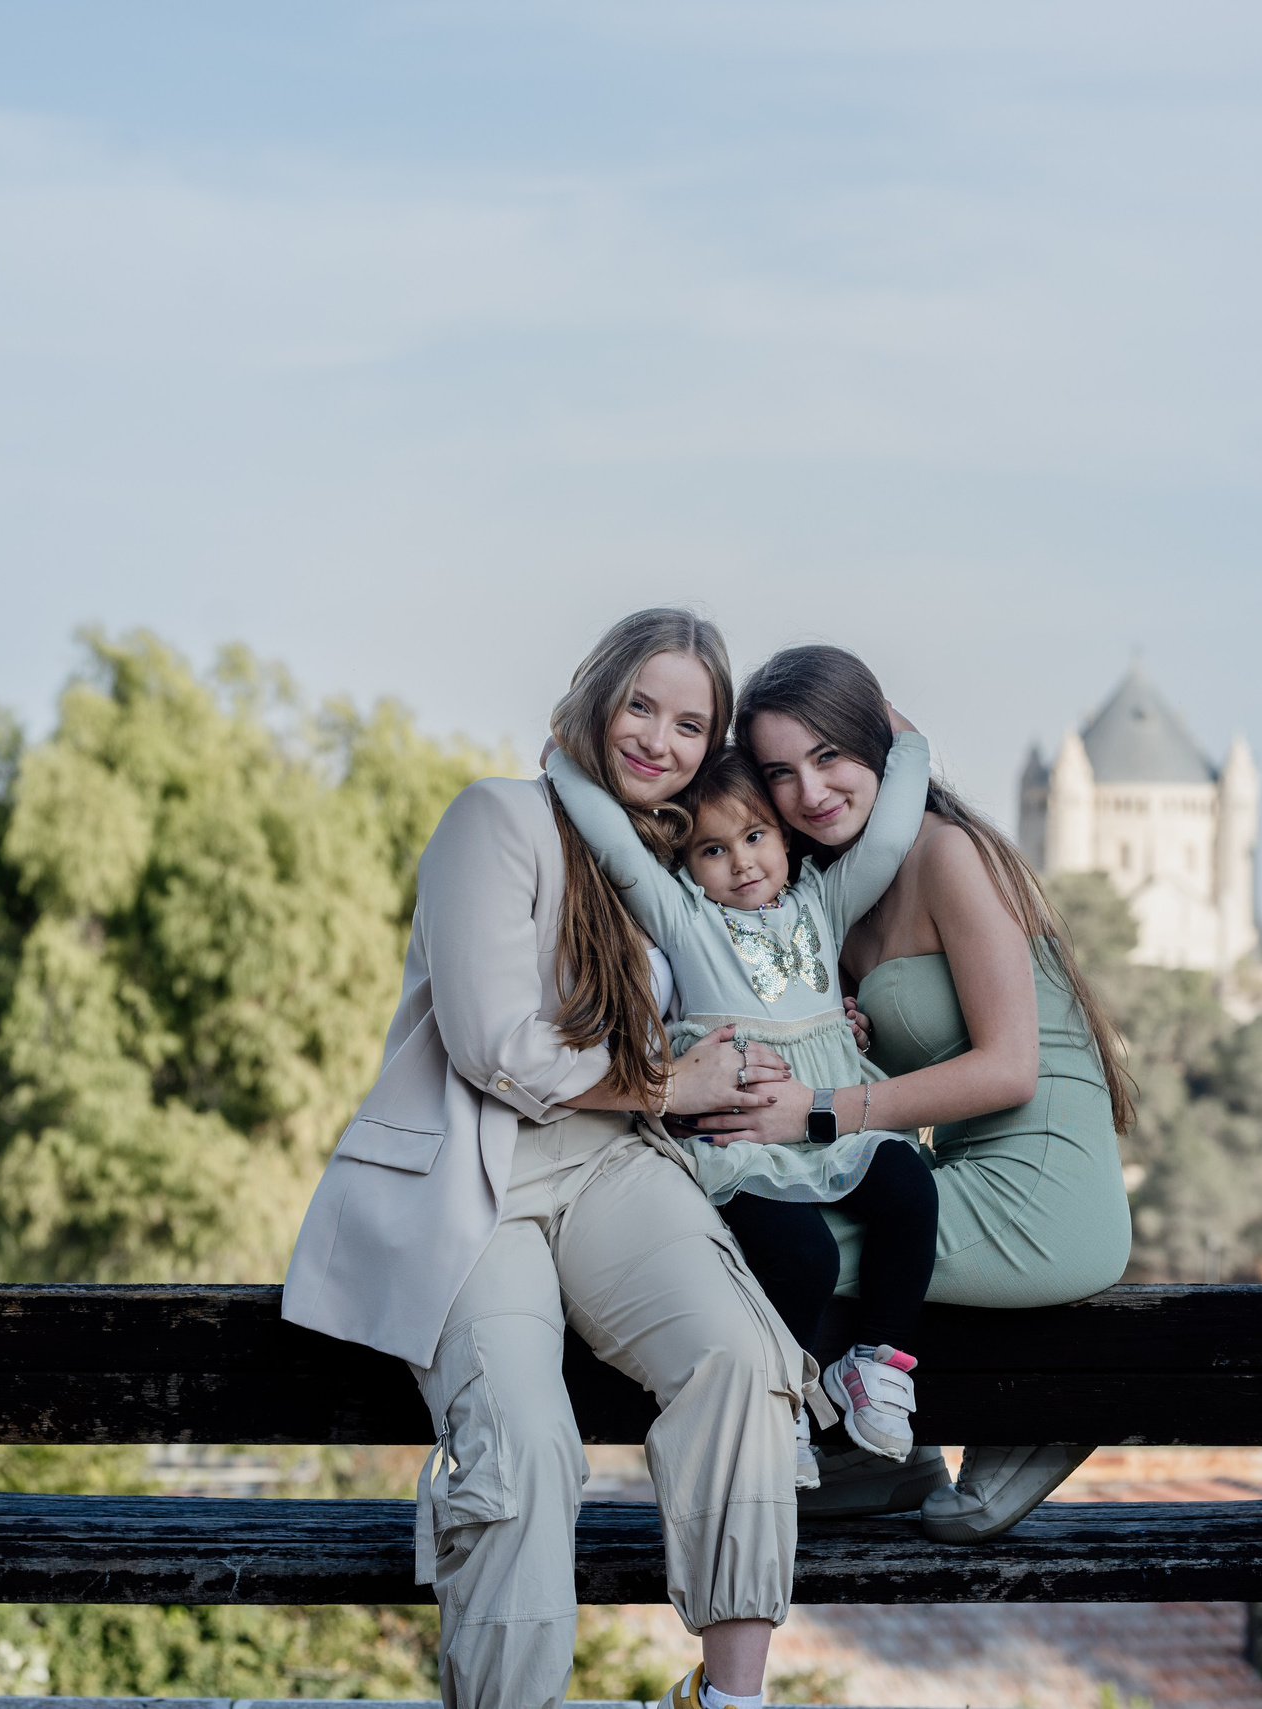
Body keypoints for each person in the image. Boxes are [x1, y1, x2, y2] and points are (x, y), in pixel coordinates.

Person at [282, 609, 809, 1709]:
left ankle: (730, 1699)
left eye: (689, 722)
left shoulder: (675, 865)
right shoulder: (497, 819)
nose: (658, 738)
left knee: (741, 1359)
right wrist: (671, 1082)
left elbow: (759, 976)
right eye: (641, 705)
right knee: (524, 1449)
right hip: (482, 1179)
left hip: (615, 1166)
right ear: (599, 693)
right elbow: (494, 1045)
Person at [696, 643, 1138, 1545]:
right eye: (781, 771)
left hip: (1044, 1192)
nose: (810, 791)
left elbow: (1010, 1067)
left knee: (757, 1241)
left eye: (831, 756)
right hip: (958, 1169)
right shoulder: (822, 899)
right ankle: (882, 1452)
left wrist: (819, 1104)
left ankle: (1043, 1409)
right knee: (791, 1217)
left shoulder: (946, 855)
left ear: (878, 751)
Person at [545, 722, 941, 1476]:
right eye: (712, 850)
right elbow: (620, 851)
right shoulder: (687, 919)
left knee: (909, 1185)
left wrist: (907, 742)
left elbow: (887, 842)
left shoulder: (822, 905)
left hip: (826, 1118)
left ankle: (878, 1365)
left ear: (786, 839)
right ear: (688, 865)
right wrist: (564, 760)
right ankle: (778, 1405)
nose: (740, 863)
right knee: (803, 1255)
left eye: (755, 836)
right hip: (741, 1140)